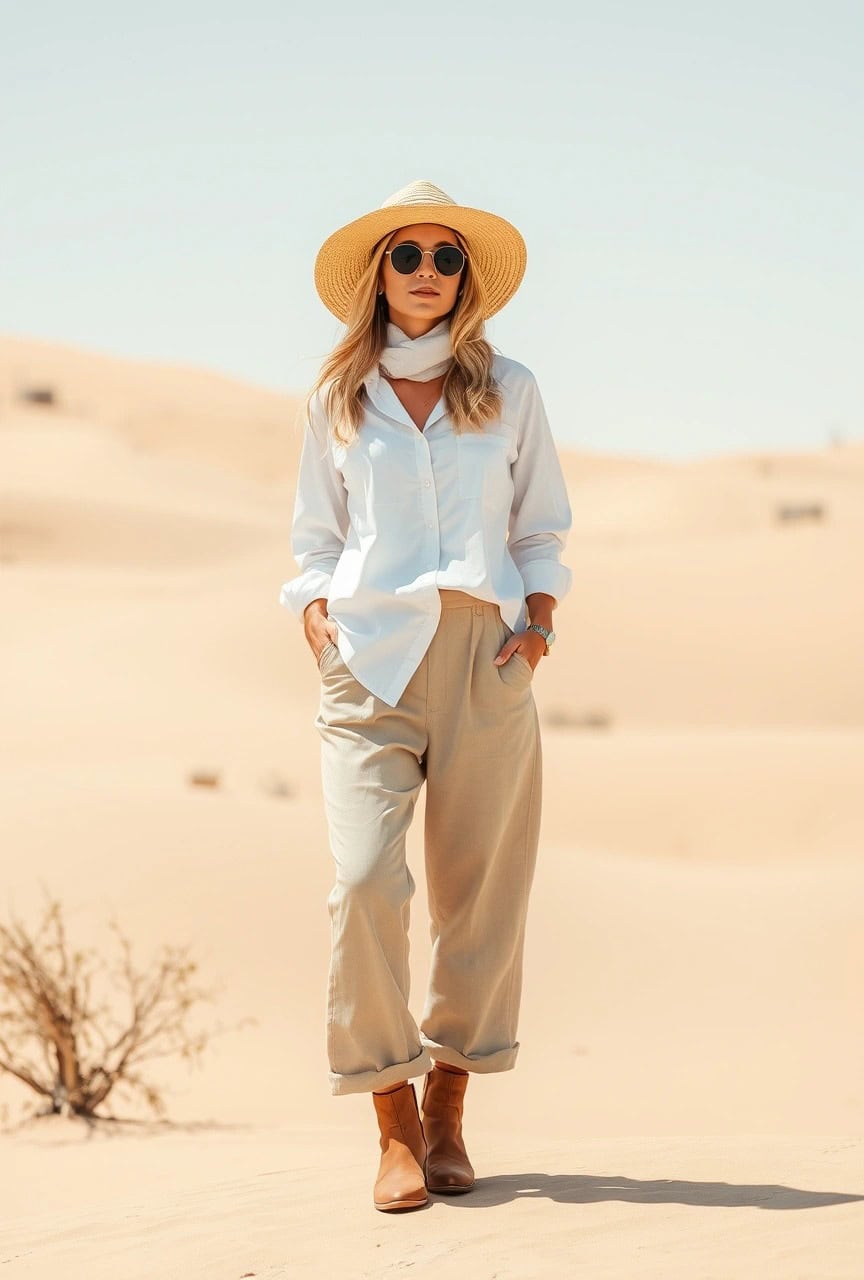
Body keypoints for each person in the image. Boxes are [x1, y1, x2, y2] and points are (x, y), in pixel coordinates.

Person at [279, 179, 573, 1212]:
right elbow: (315, 539)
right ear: (378, 273)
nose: (427, 274)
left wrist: (535, 620)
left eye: (447, 259)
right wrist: (315, 617)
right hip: (369, 659)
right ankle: (390, 1119)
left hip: (486, 653)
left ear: (466, 280)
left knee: (479, 895)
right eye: (408, 255)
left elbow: (541, 524)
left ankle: (449, 1107)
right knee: (363, 880)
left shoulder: (513, 388)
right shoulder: (336, 398)